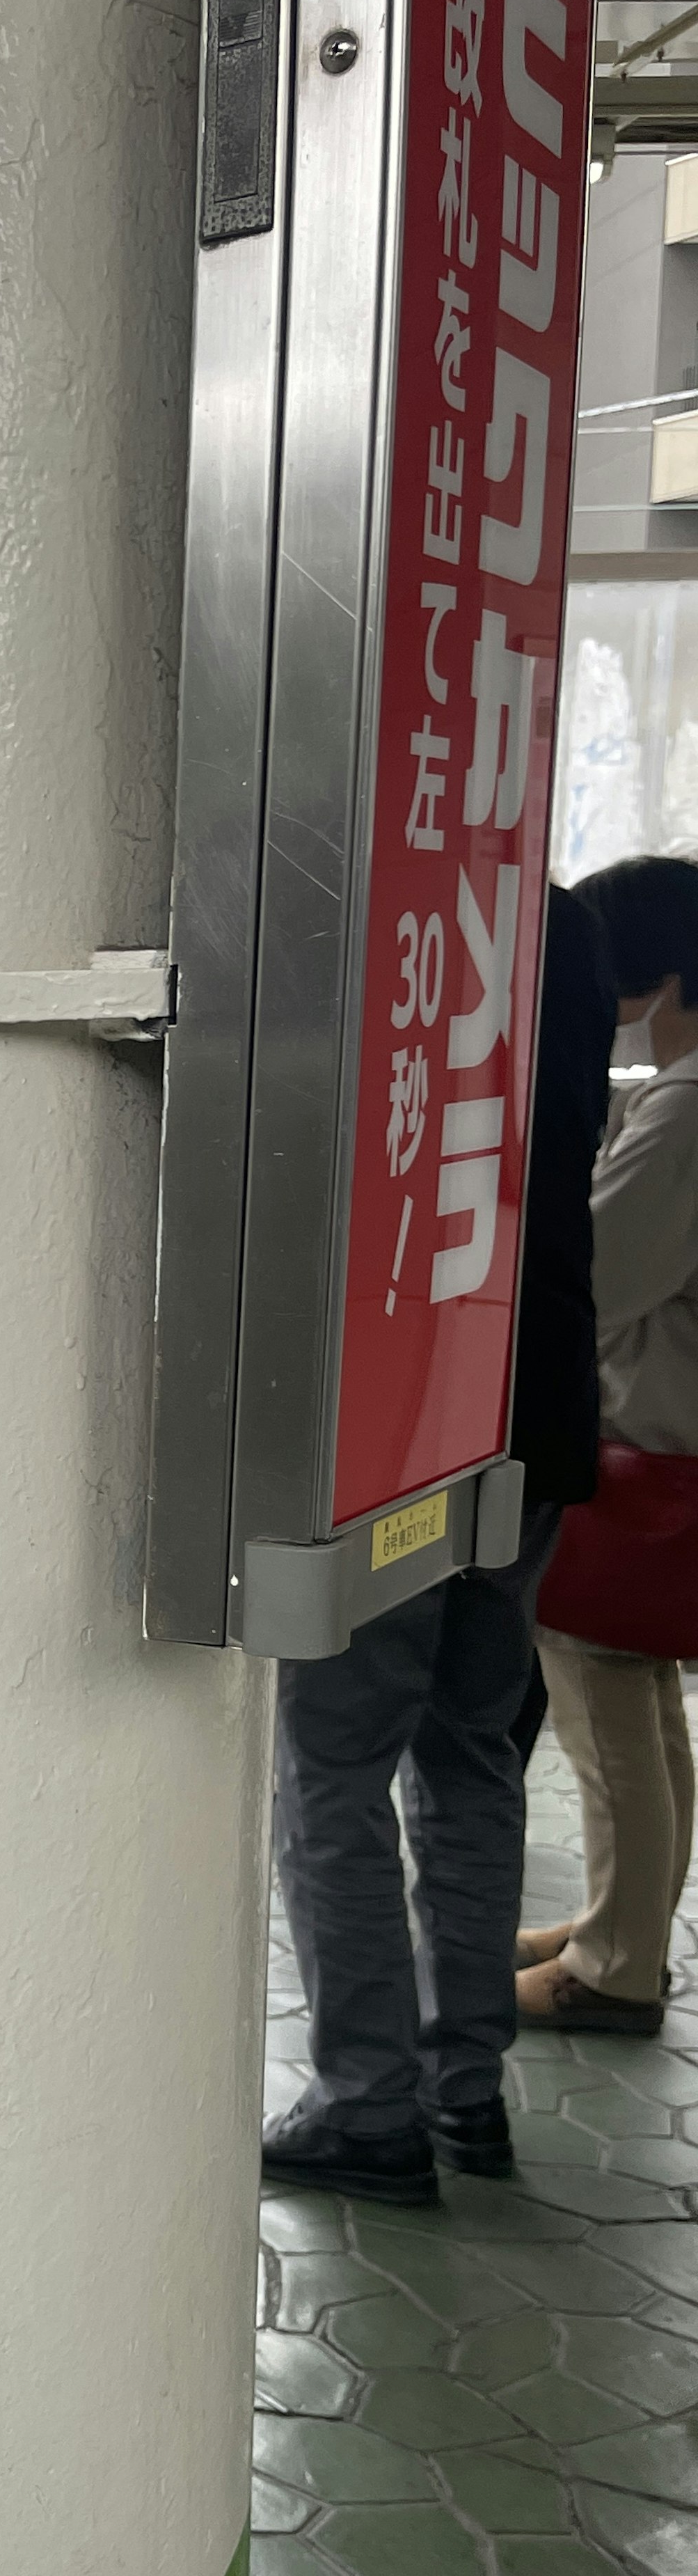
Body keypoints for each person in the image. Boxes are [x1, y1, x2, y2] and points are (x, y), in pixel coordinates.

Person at [263, 883, 617, 2202]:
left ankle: (367, 2105)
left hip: (401, 1411)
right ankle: (466, 2091)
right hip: (539, 1406)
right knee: (471, 1753)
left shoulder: (376, 919)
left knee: (333, 1763)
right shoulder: (565, 923)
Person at [519, 854, 698, 2033]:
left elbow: (614, 1265)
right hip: (676, 1435)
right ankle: (616, 1922)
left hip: (647, 1435)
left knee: (605, 1698)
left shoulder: (688, 1102)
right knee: (645, 1704)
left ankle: (618, 1962)